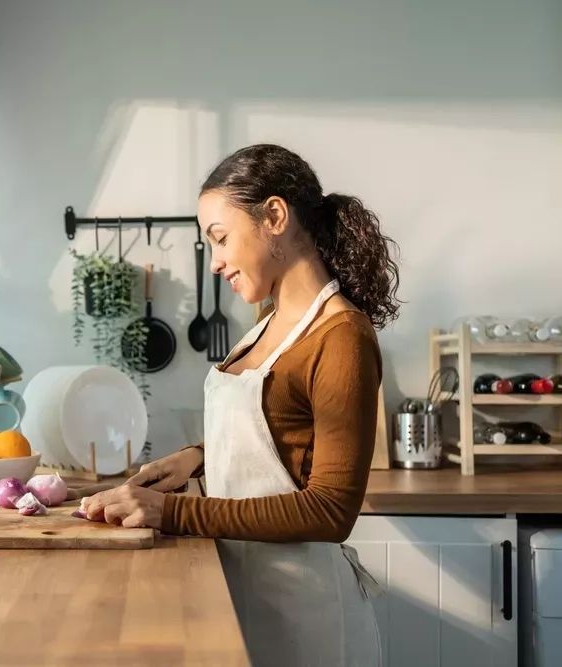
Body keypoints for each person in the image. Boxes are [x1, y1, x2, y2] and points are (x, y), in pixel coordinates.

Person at [82, 143, 401, 666]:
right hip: (242, 594)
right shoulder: (267, 325)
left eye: (221, 239)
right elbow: (283, 434)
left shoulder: (342, 336)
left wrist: (172, 512)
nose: (217, 263)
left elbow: (330, 511)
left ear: (274, 216)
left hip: (304, 616)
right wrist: (195, 457)